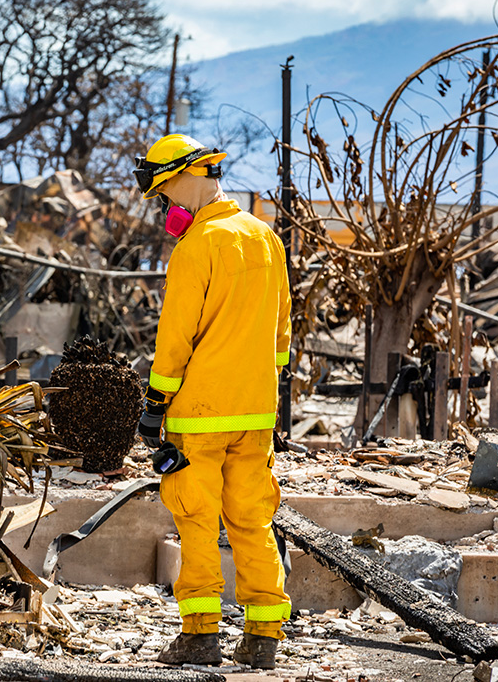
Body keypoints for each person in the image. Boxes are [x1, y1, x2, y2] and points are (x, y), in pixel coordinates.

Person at [132, 133, 292, 669]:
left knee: (196, 520)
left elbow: (175, 339)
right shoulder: (266, 237)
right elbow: (281, 333)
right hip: (257, 412)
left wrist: (155, 402)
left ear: (185, 178)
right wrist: (268, 391)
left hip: (200, 414)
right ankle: (263, 637)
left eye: (164, 194)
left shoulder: (196, 247)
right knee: (252, 519)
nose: (166, 207)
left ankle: (200, 636)